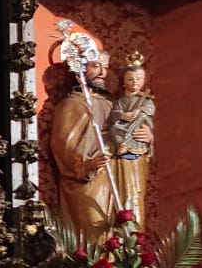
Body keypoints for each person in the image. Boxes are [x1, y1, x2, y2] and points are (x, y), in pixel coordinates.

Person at [49, 39, 117, 239]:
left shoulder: (110, 104)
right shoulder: (71, 105)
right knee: (94, 231)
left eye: (106, 67)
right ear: (81, 68)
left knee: (115, 232)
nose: (103, 73)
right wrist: (88, 164)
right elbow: (63, 146)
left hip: (114, 176)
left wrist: (144, 139)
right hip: (86, 181)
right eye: (96, 66)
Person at [107, 53, 155, 228]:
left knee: (135, 194)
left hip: (137, 150)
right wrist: (123, 116)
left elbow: (149, 117)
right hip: (118, 153)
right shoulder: (118, 102)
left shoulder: (147, 101)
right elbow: (113, 118)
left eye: (139, 79)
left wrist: (149, 136)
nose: (134, 82)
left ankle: (135, 237)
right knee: (122, 195)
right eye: (130, 79)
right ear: (123, 81)